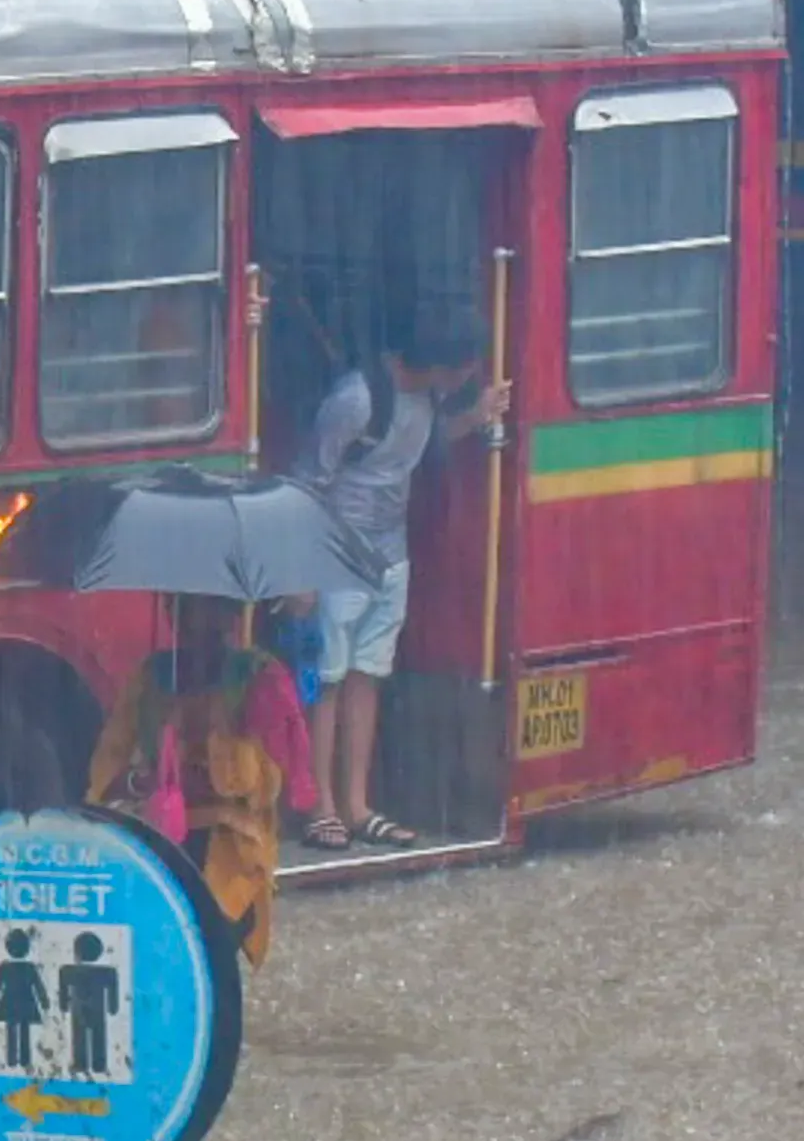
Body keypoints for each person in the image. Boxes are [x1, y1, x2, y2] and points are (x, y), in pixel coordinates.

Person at [289, 305, 508, 849]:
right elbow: (306, 483)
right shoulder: (357, 400)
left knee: (367, 678)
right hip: (333, 559)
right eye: (465, 369)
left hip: (392, 558)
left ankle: (358, 806)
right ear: (443, 364)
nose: (466, 377)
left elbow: (417, 451)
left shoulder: (425, 398)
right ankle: (320, 806)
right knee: (326, 684)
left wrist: (477, 416)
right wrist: (300, 574)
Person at [88, 592, 319, 962]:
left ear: (230, 617)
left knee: (209, 949)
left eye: (214, 612)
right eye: (190, 611)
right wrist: (142, 781)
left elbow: (270, 783)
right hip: (163, 836)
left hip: (232, 845)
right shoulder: (153, 677)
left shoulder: (259, 677)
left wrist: (217, 737)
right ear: (172, 614)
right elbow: (107, 770)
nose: (202, 625)